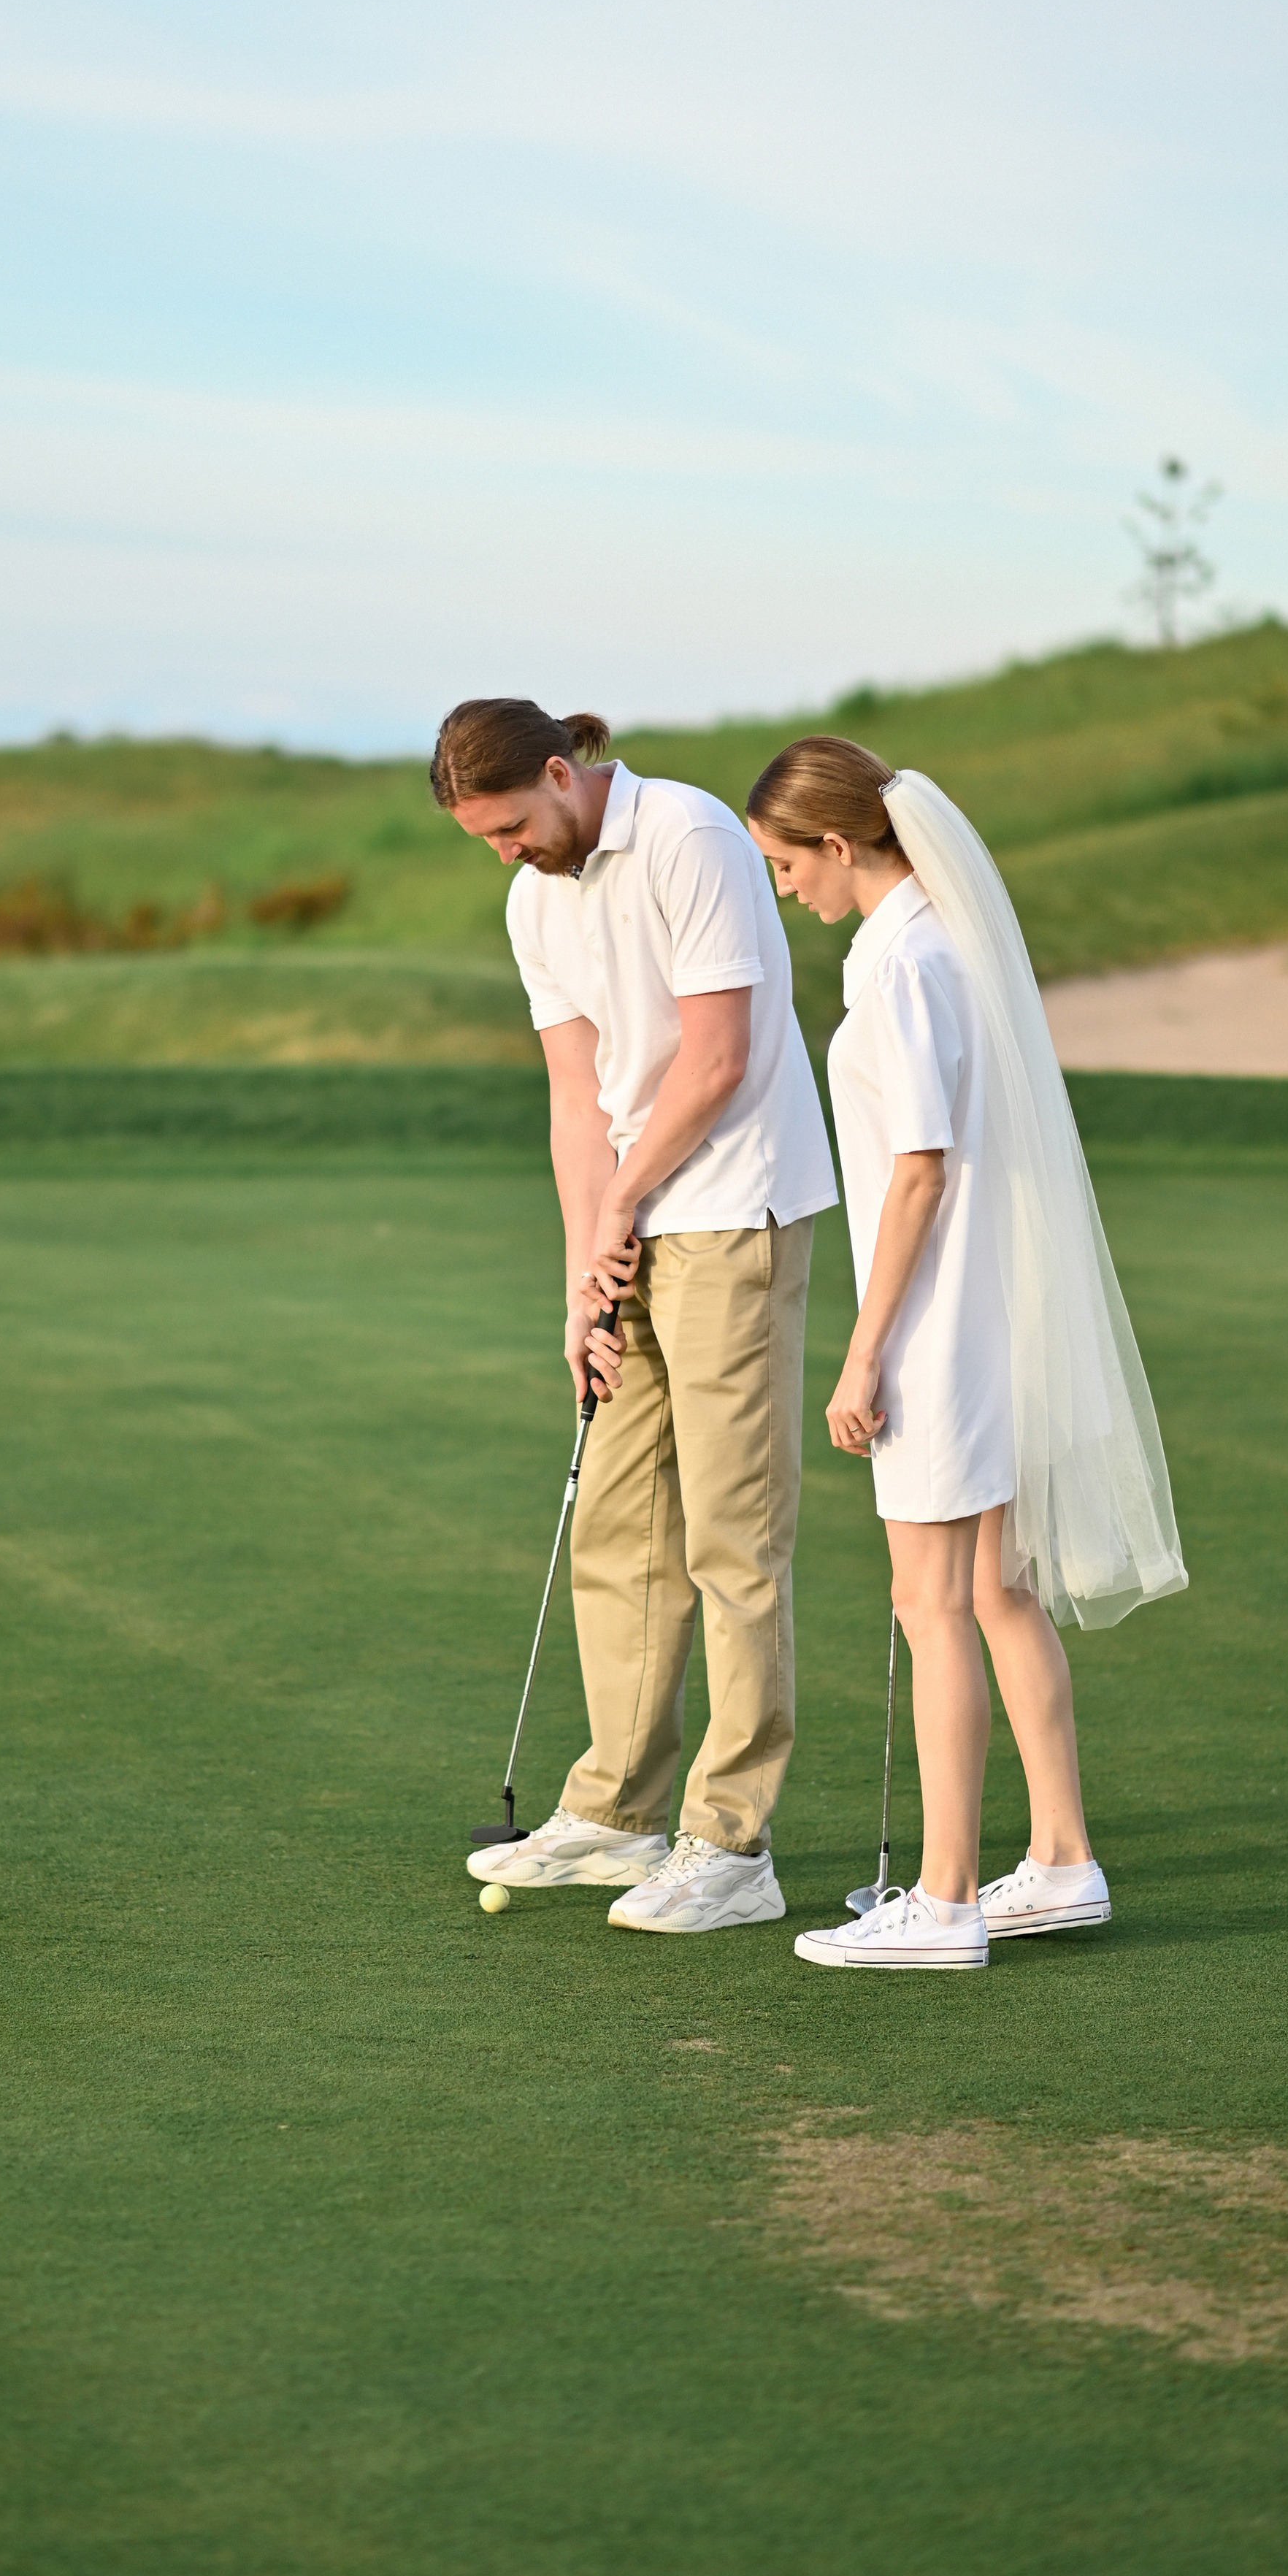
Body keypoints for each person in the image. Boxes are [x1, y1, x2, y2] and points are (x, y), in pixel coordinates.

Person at [744, 737, 1188, 1971]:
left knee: (931, 1601)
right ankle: (1060, 1861)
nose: (787, 889)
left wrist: (862, 1351)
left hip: (939, 1327)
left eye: (789, 864)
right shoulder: (935, 945)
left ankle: (940, 1904)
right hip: (981, 1312)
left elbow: (919, 1172)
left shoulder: (906, 967)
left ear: (840, 845)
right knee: (994, 1592)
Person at [437, 699, 838, 1933]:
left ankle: (734, 1845)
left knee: (732, 1531)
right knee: (619, 1523)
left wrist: (625, 1198)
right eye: (484, 839)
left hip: (735, 1206)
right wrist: (583, 1271)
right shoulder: (532, 899)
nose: (506, 852)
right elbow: (574, 1093)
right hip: (636, 1215)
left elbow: (716, 1059)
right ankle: (616, 1813)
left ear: (564, 773)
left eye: (512, 825)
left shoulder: (692, 836)